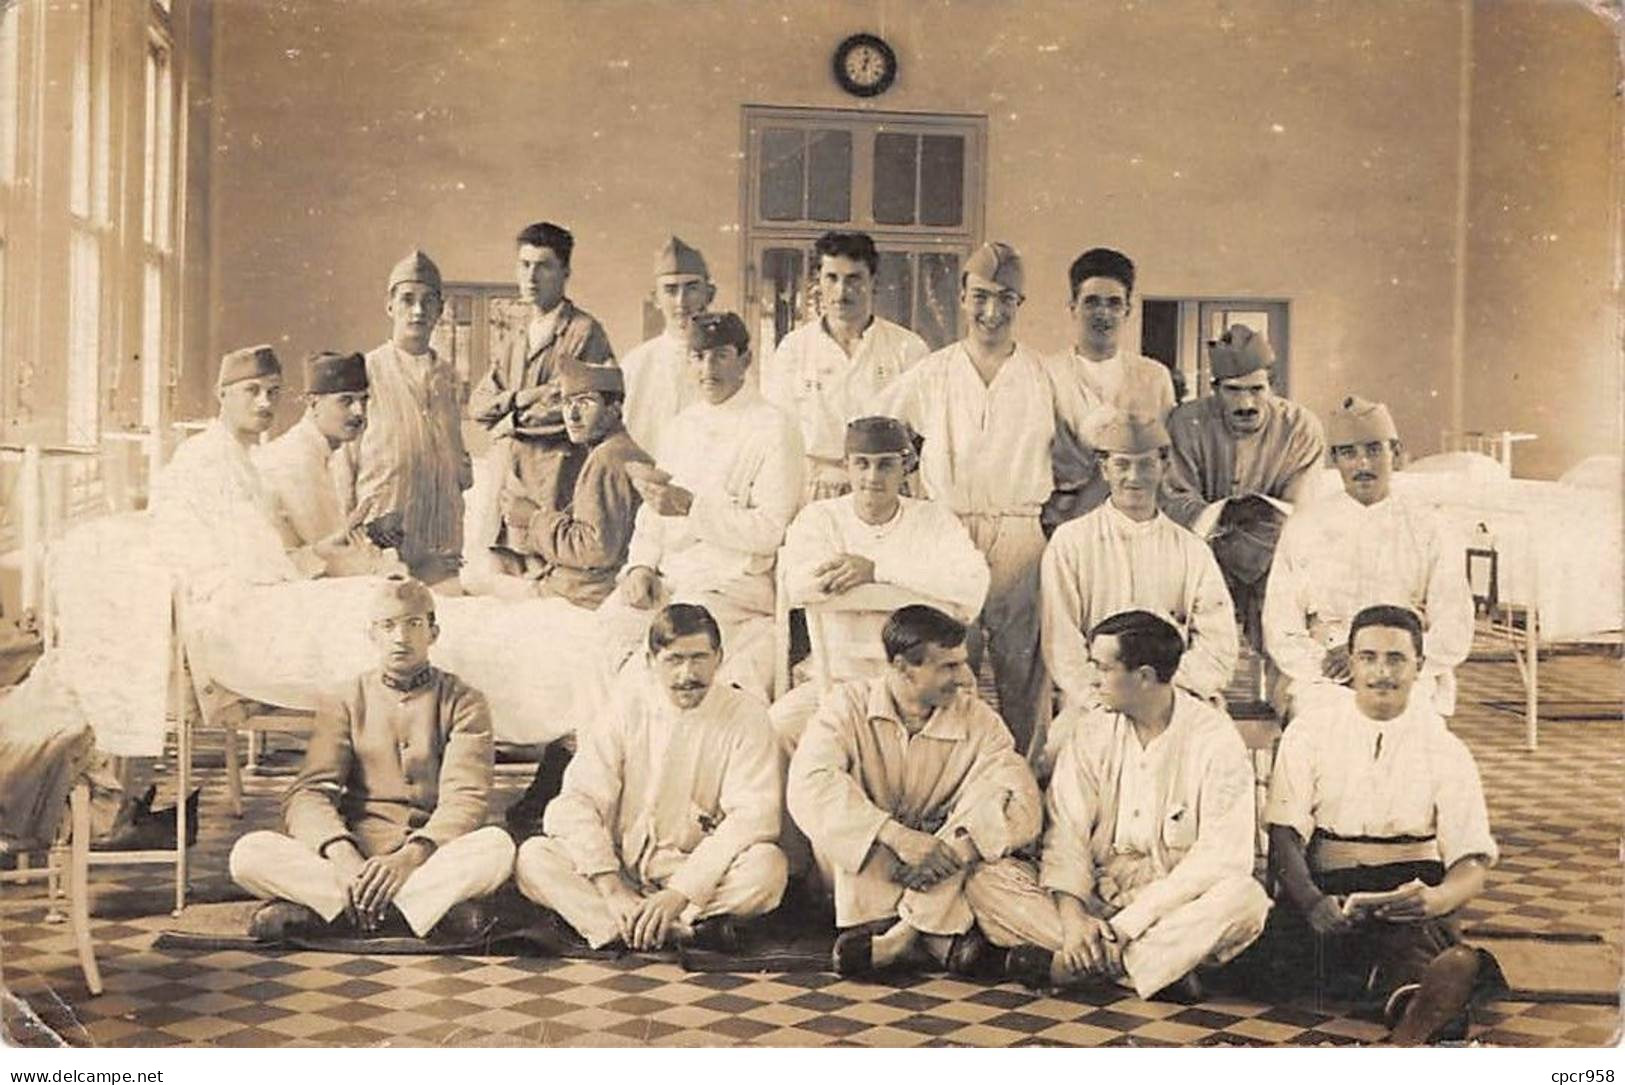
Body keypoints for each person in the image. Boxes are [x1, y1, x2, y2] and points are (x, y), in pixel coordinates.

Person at [965, 610, 1269, 1001]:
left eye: (1103, 668)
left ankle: (1075, 966)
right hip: (1095, 897)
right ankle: (1154, 965)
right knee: (987, 880)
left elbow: (1220, 857)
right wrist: (1074, 920)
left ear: (1143, 676)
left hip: (1168, 904)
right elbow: (1066, 831)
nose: (1092, 679)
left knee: (1245, 900)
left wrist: (1127, 926)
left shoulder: (1214, 739)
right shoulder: (1091, 728)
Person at [1259, 605, 1503, 1045]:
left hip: (1408, 893)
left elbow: (1472, 861)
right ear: (1349, 663)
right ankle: (1433, 983)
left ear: (1420, 667)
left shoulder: (1444, 748)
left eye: (1396, 659)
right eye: (1368, 657)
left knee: (1411, 950)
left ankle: (1413, 1021)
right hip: (1327, 892)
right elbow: (1284, 836)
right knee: (1268, 961)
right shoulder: (1309, 733)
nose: (1381, 672)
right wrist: (1313, 902)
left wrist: (1437, 898)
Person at [227, 576, 515, 945]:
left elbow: (466, 798)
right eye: (388, 625)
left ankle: (333, 913)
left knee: (496, 847)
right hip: (356, 859)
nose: (400, 637)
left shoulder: (464, 700)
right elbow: (309, 793)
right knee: (248, 854)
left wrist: (411, 857)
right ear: (372, 635)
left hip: (426, 860)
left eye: (413, 624)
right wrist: (344, 858)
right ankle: (414, 912)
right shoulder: (345, 699)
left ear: (434, 632)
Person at [882, 242, 1090, 753]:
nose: (991, 311)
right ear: (961, 297)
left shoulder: (1046, 375)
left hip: (1020, 534)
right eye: (980, 297)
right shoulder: (932, 374)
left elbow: (1089, 453)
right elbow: (879, 433)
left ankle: (1023, 781)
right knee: (949, 666)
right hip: (949, 530)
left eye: (1004, 299)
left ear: (1021, 303)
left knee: (1024, 673)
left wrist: (1059, 514)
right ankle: (948, 778)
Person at [514, 604, 787, 952]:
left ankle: (635, 927)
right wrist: (611, 886)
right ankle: (672, 931)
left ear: (719, 657)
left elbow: (754, 816)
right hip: (620, 864)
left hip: (691, 872)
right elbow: (576, 801)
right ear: (650, 660)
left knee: (767, 869)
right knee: (534, 858)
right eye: (674, 659)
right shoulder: (626, 709)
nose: (688, 673)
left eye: (699, 657)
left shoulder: (747, 715)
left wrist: (681, 892)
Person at [787, 605, 1041, 976]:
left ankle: (902, 936)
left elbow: (1023, 803)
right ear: (903, 667)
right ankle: (940, 938)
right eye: (948, 667)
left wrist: (955, 850)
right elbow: (809, 784)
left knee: (992, 797)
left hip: (943, 865)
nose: (965, 678)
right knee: (839, 808)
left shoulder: (980, 720)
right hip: (869, 862)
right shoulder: (847, 705)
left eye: (962, 663)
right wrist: (897, 837)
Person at [604, 312, 803, 698]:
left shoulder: (774, 428)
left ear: (745, 360)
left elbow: (770, 530)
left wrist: (692, 509)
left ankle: (657, 749)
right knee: (606, 630)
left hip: (731, 585)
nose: (707, 369)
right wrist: (640, 565)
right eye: (698, 357)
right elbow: (653, 510)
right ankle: (605, 749)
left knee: (664, 655)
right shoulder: (682, 426)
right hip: (672, 577)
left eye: (720, 356)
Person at [772, 416, 990, 755]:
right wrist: (918, 587)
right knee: (777, 728)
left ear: (904, 468)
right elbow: (799, 587)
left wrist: (877, 571)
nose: (872, 477)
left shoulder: (933, 520)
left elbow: (973, 588)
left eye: (885, 465)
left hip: (923, 685)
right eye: (862, 464)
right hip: (836, 682)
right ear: (846, 467)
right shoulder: (820, 518)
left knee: (980, 740)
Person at [1038, 411, 1237, 771]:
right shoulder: (1071, 543)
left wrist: (1161, 694)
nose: (1134, 477)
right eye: (1122, 465)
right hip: (1096, 701)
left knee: (1219, 754)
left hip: (1177, 698)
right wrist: (1107, 696)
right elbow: (1062, 645)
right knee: (1060, 756)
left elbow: (1219, 646)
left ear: (1163, 467)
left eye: (1146, 465)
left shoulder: (1191, 550)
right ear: (1104, 468)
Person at [1263, 396, 1473, 717]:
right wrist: (1324, 663)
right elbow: (1280, 624)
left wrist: (1388, 661)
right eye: (1349, 453)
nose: (1363, 465)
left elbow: (1454, 625)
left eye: (1374, 450)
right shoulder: (1305, 526)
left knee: (1414, 722)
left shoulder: (1430, 526)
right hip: (1325, 673)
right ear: (1335, 460)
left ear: (1396, 454)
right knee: (1321, 722)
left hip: (1408, 671)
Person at [1161, 324, 1325, 648]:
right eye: (1233, 390)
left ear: (1273, 386)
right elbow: (1175, 498)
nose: (1245, 403)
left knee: (1289, 632)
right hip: (1201, 554)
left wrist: (1246, 545)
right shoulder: (1186, 422)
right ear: (1214, 389)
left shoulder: (1301, 428)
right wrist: (1219, 530)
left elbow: (1298, 512)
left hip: (1273, 557)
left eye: (1256, 389)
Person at [470, 222, 615, 579]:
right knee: (504, 570)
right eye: (524, 265)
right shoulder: (518, 336)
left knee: (548, 576)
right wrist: (523, 396)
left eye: (544, 266)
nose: (531, 276)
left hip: (558, 475)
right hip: (513, 475)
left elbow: (570, 407)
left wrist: (512, 421)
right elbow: (479, 403)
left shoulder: (585, 332)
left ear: (565, 272)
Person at [761, 231, 929, 502]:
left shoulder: (907, 349)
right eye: (832, 278)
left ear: (873, 282)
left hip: (884, 490)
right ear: (818, 281)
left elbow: (927, 436)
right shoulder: (794, 349)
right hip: (814, 490)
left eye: (854, 279)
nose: (841, 291)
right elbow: (777, 433)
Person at [349, 251, 472, 589]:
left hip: (441, 542)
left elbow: (455, 453)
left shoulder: (448, 377)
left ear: (440, 310)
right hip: (384, 545)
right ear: (390, 306)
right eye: (407, 300)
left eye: (428, 301)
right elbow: (344, 460)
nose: (418, 311)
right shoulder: (367, 371)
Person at [495, 361, 654, 606]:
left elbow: (594, 549)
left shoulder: (607, 459)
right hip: (577, 588)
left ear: (614, 409)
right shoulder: (619, 451)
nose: (573, 415)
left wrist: (533, 518)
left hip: (581, 596)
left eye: (585, 402)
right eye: (568, 403)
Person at [1043, 247, 1178, 533]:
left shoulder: (1154, 378)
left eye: (1114, 303)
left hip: (1134, 523)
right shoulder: (1045, 374)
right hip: (1060, 522)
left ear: (1128, 310)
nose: (1103, 313)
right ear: (1072, 307)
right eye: (1091, 302)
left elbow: (1164, 460)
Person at [256, 350, 404, 578]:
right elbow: (330, 552)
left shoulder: (323, 453)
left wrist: (371, 535)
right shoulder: (296, 459)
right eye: (346, 401)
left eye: (363, 400)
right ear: (313, 403)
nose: (359, 412)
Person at [620, 236, 715, 455]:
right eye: (671, 290)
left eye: (691, 289)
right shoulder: (635, 365)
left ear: (709, 294)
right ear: (656, 298)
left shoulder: (728, 362)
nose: (681, 302)